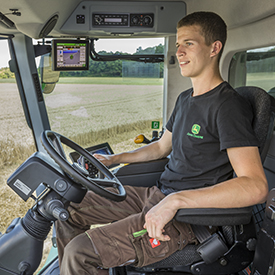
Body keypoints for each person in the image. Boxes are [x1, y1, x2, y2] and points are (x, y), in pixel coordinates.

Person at [56, 11, 268, 275]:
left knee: (81, 252)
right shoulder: (185, 99)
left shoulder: (228, 106)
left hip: (186, 218)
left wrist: (175, 201)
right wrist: (115, 158)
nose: (179, 52)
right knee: (67, 208)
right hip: (157, 195)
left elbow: (255, 186)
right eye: (178, 45)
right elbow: (160, 147)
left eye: (189, 44)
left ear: (215, 48)